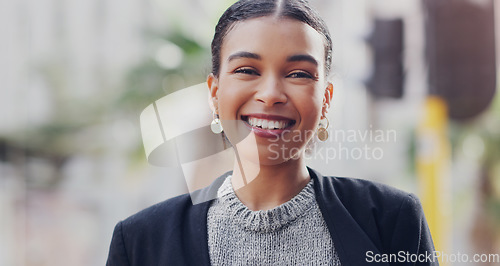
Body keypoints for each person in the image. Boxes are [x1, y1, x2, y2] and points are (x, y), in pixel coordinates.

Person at [107, 0, 438, 265]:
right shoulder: (140, 241)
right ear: (214, 93)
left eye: (298, 74)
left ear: (325, 100)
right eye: (247, 70)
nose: (270, 94)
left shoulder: (390, 220)